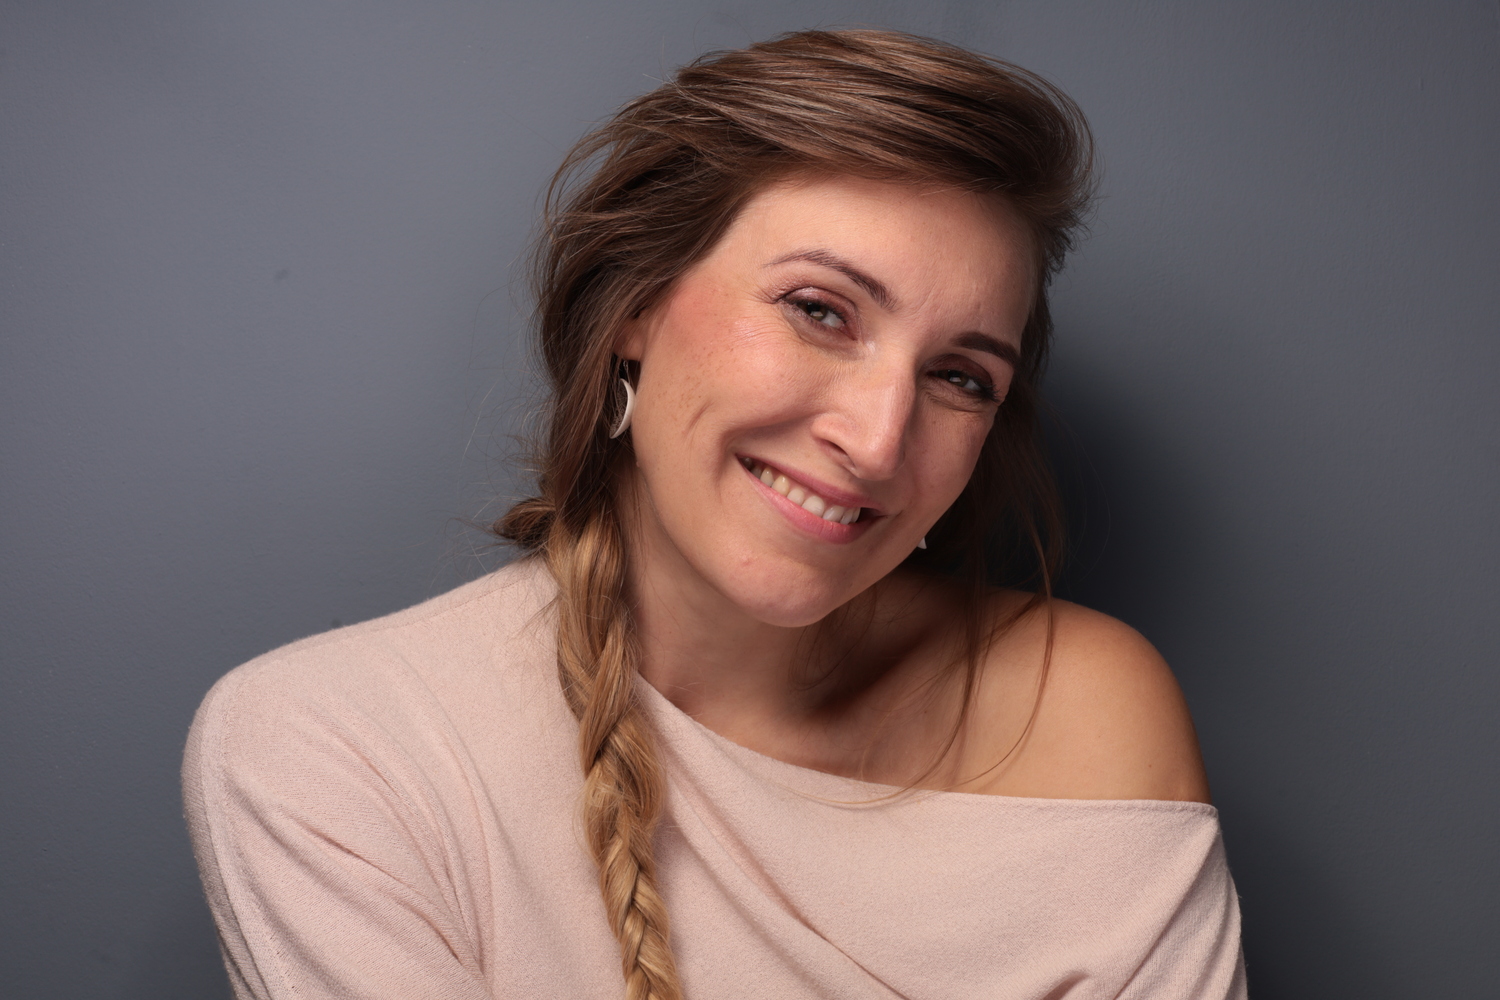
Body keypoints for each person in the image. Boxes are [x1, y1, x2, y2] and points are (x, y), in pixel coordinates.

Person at [184, 28, 1246, 1000]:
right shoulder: (341, 752)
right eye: (819, 311)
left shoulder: (1078, 710)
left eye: (961, 377)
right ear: (636, 303)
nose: (878, 441)